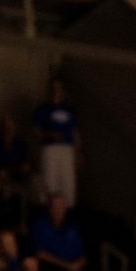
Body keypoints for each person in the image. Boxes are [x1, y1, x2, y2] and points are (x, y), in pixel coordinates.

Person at [32, 80, 79, 209]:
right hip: (50, 148)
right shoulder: (42, 110)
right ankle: (47, 209)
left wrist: (78, 152)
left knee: (67, 181)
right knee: (50, 180)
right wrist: (50, 135)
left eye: (58, 89)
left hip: (67, 149)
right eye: (53, 89)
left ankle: (67, 210)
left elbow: (75, 132)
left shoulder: (70, 110)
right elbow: (36, 131)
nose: (55, 92)